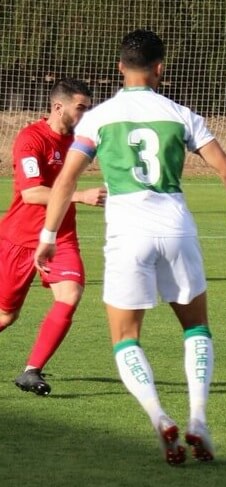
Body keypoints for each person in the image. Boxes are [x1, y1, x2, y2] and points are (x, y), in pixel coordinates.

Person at [33, 29, 226, 466]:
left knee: (125, 336)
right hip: (176, 227)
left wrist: (48, 236)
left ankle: (158, 416)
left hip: (127, 232)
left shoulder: (99, 117)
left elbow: (67, 180)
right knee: (196, 328)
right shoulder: (180, 114)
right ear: (160, 69)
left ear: (119, 67)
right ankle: (199, 419)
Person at [0, 78, 105, 396]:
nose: (86, 114)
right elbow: (31, 193)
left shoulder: (80, 140)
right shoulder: (30, 139)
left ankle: (32, 371)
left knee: (70, 294)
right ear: (59, 107)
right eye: (81, 108)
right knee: (6, 315)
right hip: (19, 239)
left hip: (61, 236)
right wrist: (80, 195)